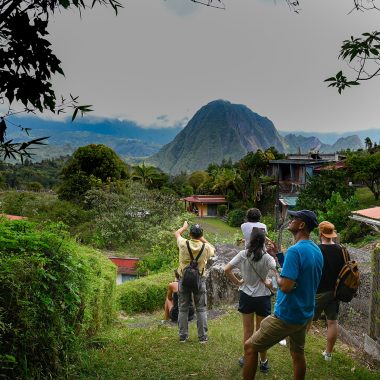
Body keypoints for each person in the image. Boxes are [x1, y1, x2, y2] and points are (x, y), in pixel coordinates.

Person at [243, 210, 323, 380]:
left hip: (287, 315)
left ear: (302, 225)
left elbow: (286, 286)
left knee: (250, 347)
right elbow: (300, 273)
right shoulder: (316, 250)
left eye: (294, 219)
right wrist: (277, 254)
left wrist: (277, 276)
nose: (290, 220)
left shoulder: (295, 250)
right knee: (297, 354)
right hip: (305, 314)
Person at [224, 227, 276, 374]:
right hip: (263, 297)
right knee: (262, 332)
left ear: (250, 239)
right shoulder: (267, 257)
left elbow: (226, 269)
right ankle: (264, 362)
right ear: (264, 240)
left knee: (248, 331)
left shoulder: (243, 254)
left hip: (246, 295)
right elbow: (278, 271)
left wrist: (238, 282)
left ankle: (247, 357)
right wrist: (271, 284)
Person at [174, 221, 215, 343]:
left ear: (190, 234)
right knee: (201, 309)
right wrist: (202, 238)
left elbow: (176, 233)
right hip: (199, 280)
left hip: (184, 280)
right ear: (200, 235)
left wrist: (184, 227)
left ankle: (183, 336)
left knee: (183, 308)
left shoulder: (183, 244)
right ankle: (202, 337)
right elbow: (213, 249)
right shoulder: (206, 247)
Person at [312, 221, 346, 361]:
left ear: (320, 233)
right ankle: (328, 354)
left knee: (305, 319)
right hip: (335, 292)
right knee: (332, 322)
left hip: (319, 291)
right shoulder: (341, 250)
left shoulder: (316, 249)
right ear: (332, 234)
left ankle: (296, 345)